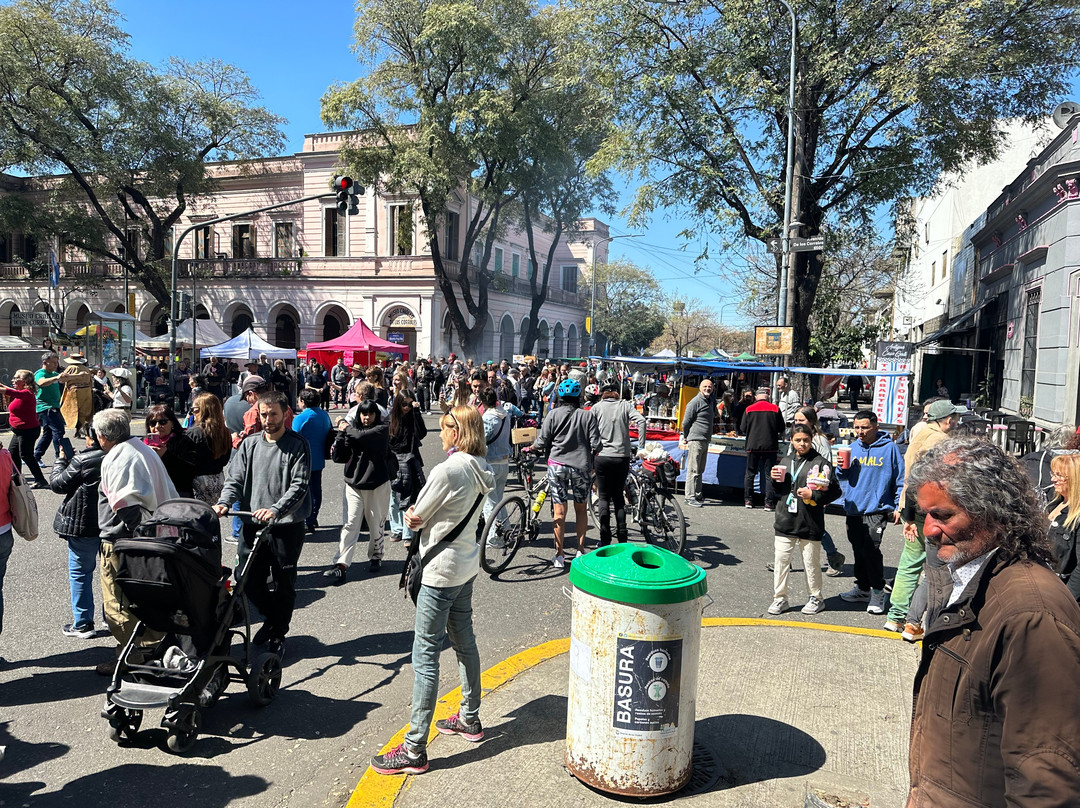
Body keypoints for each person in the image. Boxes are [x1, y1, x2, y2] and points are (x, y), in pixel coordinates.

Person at [905, 436, 1080, 807]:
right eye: (926, 515)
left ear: (991, 511)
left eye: (943, 516)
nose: (929, 530)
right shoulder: (969, 579)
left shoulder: (1032, 616)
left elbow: (1048, 782)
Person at [369, 406, 494, 777]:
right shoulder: (481, 467)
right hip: (465, 566)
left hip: (440, 572)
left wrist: (412, 516)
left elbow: (417, 516)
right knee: (465, 643)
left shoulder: (448, 470)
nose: (439, 434)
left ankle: (414, 748)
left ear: (458, 432)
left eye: (444, 428)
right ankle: (469, 717)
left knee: (425, 655)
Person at [214, 391, 310, 661]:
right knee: (246, 580)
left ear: (285, 413)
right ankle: (272, 619)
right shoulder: (250, 444)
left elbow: (299, 485)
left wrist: (276, 510)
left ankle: (278, 633)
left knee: (283, 583)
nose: (268, 420)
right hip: (252, 524)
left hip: (285, 527)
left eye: (273, 414)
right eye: (264, 414)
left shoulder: (298, 445)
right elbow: (234, 478)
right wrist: (224, 502)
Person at [95, 408, 178, 674]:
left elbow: (126, 505)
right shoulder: (142, 449)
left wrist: (139, 537)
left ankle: (134, 656)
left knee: (118, 603)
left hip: (124, 541)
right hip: (152, 535)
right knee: (144, 597)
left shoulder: (119, 457)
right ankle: (150, 648)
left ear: (103, 436)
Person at [885, 398, 967, 633]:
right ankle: (915, 619)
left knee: (910, 561)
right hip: (928, 508)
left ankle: (896, 615)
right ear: (948, 420)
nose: (957, 422)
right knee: (936, 567)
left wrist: (908, 515)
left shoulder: (919, 433)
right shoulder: (940, 441)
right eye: (956, 418)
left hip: (911, 506)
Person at [767, 424, 842, 616]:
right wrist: (773, 480)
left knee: (811, 563)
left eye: (806, 440)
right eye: (798, 440)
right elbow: (776, 492)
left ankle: (816, 598)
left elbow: (835, 491)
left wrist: (813, 495)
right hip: (785, 520)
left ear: (812, 440)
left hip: (810, 522)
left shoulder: (821, 463)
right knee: (781, 562)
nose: (802, 444)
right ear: (791, 441)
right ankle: (780, 598)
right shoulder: (785, 461)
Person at [836, 409, 905, 616]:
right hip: (854, 508)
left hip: (877, 508)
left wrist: (898, 506)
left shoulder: (889, 448)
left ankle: (878, 591)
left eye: (865, 427)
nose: (860, 431)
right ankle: (863, 588)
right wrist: (840, 467)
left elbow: (900, 478)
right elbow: (843, 476)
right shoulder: (852, 448)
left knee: (871, 550)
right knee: (858, 549)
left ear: (876, 427)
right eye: (857, 427)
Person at [532, 378, 601, 568]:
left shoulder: (553, 414)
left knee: (559, 511)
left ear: (560, 396)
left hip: (557, 465)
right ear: (579, 396)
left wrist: (531, 447)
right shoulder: (587, 416)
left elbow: (542, 441)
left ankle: (559, 554)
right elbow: (597, 444)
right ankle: (580, 550)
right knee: (581, 509)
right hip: (581, 466)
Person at [50, 426, 106, 639]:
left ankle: (83, 623)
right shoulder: (120, 455)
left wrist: (61, 460)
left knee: (80, 573)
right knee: (111, 572)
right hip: (111, 524)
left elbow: (57, 484)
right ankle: (112, 617)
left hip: (83, 524)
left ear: (93, 438)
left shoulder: (82, 460)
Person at [327, 399, 392, 581]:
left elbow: (362, 437)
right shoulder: (352, 430)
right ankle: (341, 564)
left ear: (376, 415)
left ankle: (376, 556)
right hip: (353, 484)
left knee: (376, 523)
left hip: (377, 483)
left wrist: (344, 426)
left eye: (371, 413)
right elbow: (339, 456)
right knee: (350, 524)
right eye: (363, 413)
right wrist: (341, 435)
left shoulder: (381, 429)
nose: (367, 417)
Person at [787, 406, 845, 574]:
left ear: (811, 422)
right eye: (796, 420)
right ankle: (785, 560)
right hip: (796, 491)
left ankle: (833, 556)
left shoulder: (819, 440)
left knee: (814, 527)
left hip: (813, 493)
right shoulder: (795, 437)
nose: (797, 423)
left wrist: (819, 494)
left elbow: (826, 469)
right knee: (791, 524)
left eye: (801, 420)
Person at [591, 379, 645, 546]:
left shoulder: (597, 407)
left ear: (603, 394)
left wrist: (593, 446)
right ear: (617, 393)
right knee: (618, 497)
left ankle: (605, 539)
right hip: (621, 456)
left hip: (602, 456)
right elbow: (642, 421)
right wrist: (641, 446)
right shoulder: (625, 405)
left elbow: (588, 428)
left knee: (603, 497)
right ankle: (622, 537)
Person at [388, 392, 427, 546]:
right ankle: (396, 529)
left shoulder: (413, 416)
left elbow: (421, 433)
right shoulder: (391, 419)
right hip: (395, 461)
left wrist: (416, 412)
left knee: (409, 496)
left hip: (410, 459)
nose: (407, 408)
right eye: (404, 404)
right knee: (394, 497)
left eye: (410, 404)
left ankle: (407, 533)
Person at [293, 389, 333, 533]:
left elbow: (293, 437)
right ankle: (313, 517)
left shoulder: (301, 418)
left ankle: (307, 519)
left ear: (303, 402)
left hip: (303, 458)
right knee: (316, 490)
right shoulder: (324, 415)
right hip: (319, 456)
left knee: (304, 491)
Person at [1, 370, 49, 488]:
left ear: (25, 381)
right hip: (19, 431)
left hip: (28, 431)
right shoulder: (20, 393)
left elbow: (9, 391)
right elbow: (9, 390)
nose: (13, 380)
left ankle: (41, 480)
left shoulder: (27, 393)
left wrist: (3, 388)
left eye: (16, 378)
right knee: (13, 454)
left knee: (26, 455)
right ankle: (16, 479)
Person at [740, 387, 785, 509]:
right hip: (770, 446)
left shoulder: (749, 409)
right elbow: (781, 428)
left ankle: (748, 500)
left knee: (750, 474)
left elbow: (743, 428)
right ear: (767, 397)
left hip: (752, 445)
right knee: (770, 475)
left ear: (756, 397)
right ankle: (769, 503)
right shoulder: (775, 409)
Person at [185, 392, 232, 505]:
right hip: (218, 480)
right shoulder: (225, 432)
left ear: (203, 411)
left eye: (195, 410)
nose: (193, 413)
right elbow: (225, 460)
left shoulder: (193, 433)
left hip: (198, 483)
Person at [478, 387, 511, 538]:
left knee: (489, 503)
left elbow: (482, 440)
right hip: (504, 461)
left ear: (483, 402)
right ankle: (506, 529)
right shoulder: (505, 415)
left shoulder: (487, 418)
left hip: (491, 461)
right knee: (498, 500)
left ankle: (493, 537)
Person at [1047, 452, 1080, 604]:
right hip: (1044, 584)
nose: (1053, 479)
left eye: (1059, 475)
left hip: (1061, 594)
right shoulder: (1054, 503)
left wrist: (1066, 601)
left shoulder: (1076, 516)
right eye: (1053, 474)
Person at [33, 352, 74, 466]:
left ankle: (36, 456)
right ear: (45, 362)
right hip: (46, 407)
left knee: (49, 434)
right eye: (53, 362)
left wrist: (79, 375)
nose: (56, 365)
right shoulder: (40, 373)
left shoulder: (54, 374)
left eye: (57, 362)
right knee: (59, 430)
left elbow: (65, 379)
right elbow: (41, 382)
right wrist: (56, 377)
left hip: (54, 406)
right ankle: (59, 457)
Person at [680, 378, 715, 509]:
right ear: (700, 388)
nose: (707, 389)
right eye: (705, 386)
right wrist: (686, 436)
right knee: (693, 470)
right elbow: (685, 422)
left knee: (700, 469)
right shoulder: (695, 402)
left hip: (705, 439)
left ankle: (698, 494)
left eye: (710, 386)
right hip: (696, 440)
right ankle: (689, 497)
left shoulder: (710, 401)